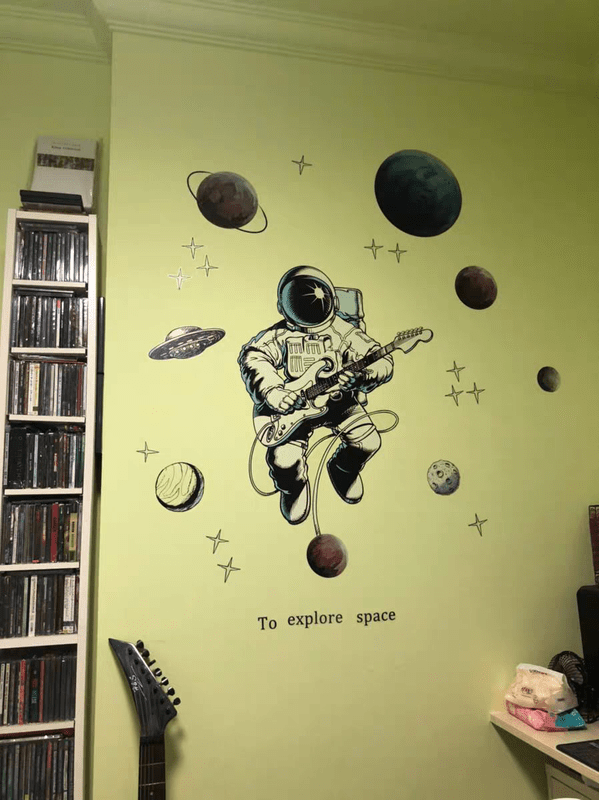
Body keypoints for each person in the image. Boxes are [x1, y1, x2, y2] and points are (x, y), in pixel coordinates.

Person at [238, 266, 394, 524]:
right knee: (283, 460)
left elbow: (380, 360)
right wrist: (274, 391)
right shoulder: (280, 335)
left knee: (368, 442)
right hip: (294, 406)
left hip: (338, 402)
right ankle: (293, 488)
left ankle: (343, 468)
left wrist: (363, 377)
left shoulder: (343, 331)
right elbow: (254, 357)